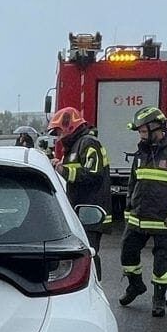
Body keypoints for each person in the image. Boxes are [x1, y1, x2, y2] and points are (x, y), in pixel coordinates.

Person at [117, 106, 167, 317]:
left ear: (155, 128)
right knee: (128, 253)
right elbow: (133, 183)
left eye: (143, 131)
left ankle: (158, 299)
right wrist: (129, 207)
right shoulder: (141, 153)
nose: (141, 135)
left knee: (161, 262)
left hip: (165, 221)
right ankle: (135, 285)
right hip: (139, 218)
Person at [46, 107, 112, 277]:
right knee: (84, 253)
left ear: (70, 126)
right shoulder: (75, 146)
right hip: (81, 210)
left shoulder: (88, 143)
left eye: (59, 131)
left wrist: (63, 170)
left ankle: (96, 289)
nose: (58, 137)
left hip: (92, 211)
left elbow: (93, 174)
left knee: (90, 254)